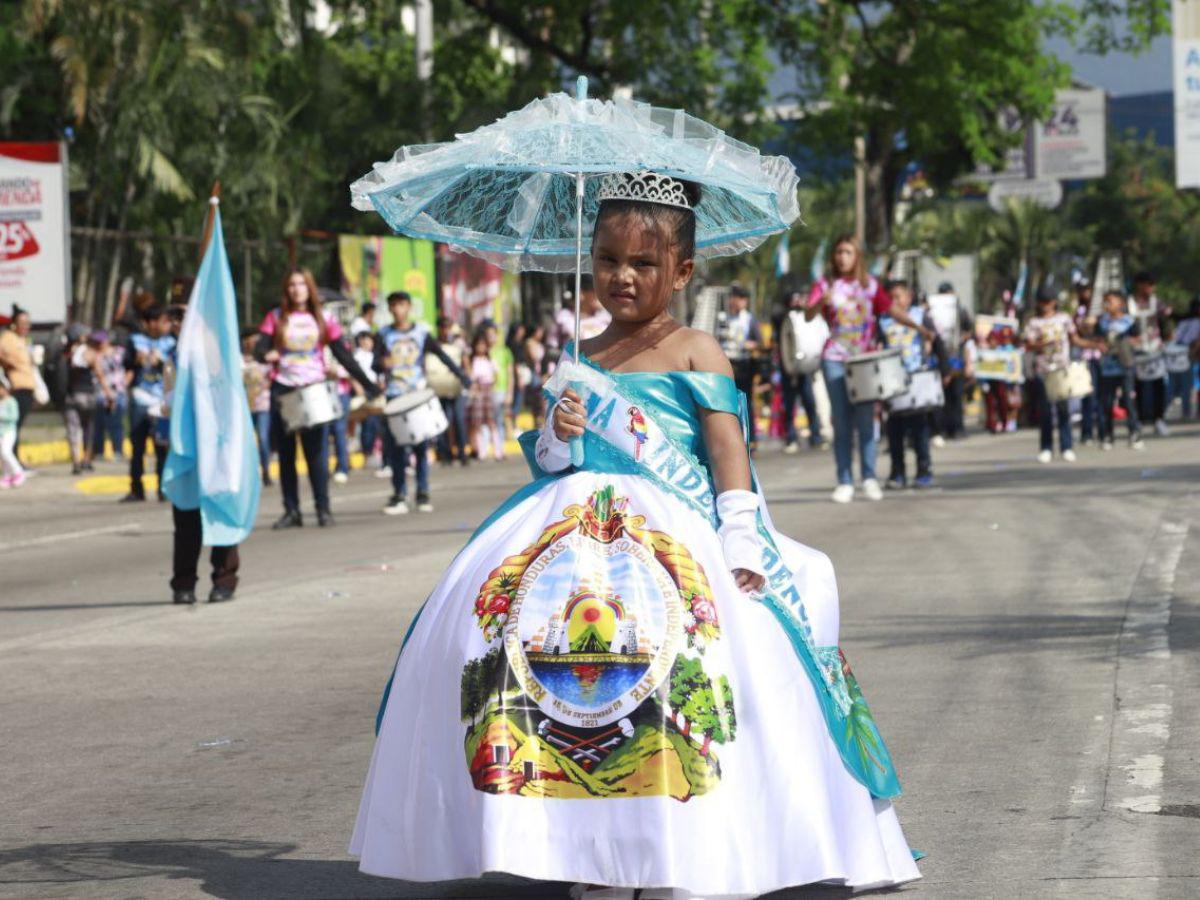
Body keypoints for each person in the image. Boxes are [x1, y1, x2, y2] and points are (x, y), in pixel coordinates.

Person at [351, 171, 918, 898]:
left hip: (672, 530)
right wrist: (558, 432)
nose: (623, 276)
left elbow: (725, 453)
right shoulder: (579, 356)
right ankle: (590, 851)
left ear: (681, 272)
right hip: (573, 534)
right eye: (609, 259)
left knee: (682, 670)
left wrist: (741, 539)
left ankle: (676, 844)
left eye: (644, 264)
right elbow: (556, 462)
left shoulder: (697, 350)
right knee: (505, 652)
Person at [805, 234, 932, 503]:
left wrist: (920, 328)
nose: (842, 257)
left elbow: (892, 311)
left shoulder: (871, 286)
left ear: (857, 256)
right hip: (835, 359)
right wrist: (820, 301)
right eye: (839, 252)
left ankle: (870, 478)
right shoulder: (826, 284)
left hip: (864, 360)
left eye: (848, 252)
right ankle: (844, 481)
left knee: (865, 422)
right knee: (841, 422)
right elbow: (807, 314)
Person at [255, 269, 379, 529]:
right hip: (283, 390)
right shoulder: (275, 317)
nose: (296, 289)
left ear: (309, 288)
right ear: (286, 289)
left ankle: (323, 508)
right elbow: (259, 349)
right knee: (287, 456)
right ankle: (292, 511)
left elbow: (344, 356)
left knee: (317, 455)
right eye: (291, 284)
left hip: (314, 391)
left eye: (301, 284)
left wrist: (368, 384)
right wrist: (266, 354)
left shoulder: (324, 318)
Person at [374, 291, 469, 515]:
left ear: (408, 307)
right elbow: (374, 365)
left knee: (421, 446)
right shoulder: (383, 334)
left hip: (417, 394)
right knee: (396, 448)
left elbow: (441, 355)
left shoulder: (421, 333)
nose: (398, 309)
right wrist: (382, 364)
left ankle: (423, 493)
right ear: (390, 309)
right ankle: (399, 494)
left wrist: (460, 374)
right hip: (394, 396)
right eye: (394, 305)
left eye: (402, 304)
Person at [1023, 287, 1102, 464]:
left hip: (1062, 368)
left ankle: (1067, 446)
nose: (1046, 306)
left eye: (1048, 302)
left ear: (1054, 303)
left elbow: (1075, 340)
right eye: (1042, 303)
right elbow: (1028, 345)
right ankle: (1046, 447)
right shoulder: (1033, 322)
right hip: (1043, 370)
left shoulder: (1064, 319)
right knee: (1045, 411)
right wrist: (1043, 343)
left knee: (1063, 409)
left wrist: (1093, 345)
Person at [880, 280, 943, 489]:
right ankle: (897, 473)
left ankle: (924, 469)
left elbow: (935, 339)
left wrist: (931, 345)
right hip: (891, 382)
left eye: (899, 296)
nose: (895, 301)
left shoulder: (919, 316)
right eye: (891, 297)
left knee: (919, 430)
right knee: (894, 431)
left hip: (916, 379)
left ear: (908, 298)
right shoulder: (883, 320)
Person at [122, 305, 175, 501]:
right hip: (140, 397)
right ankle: (136, 488)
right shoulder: (135, 341)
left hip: (162, 400)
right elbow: (125, 364)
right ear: (151, 323)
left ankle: (164, 488)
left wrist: (161, 361)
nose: (167, 325)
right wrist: (136, 360)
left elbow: (177, 367)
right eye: (164, 321)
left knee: (162, 446)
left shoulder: (171, 343)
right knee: (138, 446)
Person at [773, 290, 825, 453]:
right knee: (789, 405)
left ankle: (816, 436)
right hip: (788, 369)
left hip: (804, 367)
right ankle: (791, 438)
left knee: (809, 402)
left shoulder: (806, 317)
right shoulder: (782, 317)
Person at [1095, 291, 1145, 450]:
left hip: (1125, 366)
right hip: (1107, 368)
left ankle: (1134, 434)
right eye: (1105, 301)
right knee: (1107, 403)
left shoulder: (1129, 321)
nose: (1107, 304)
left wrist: (1126, 342)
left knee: (1129, 402)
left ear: (1121, 303)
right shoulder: (1101, 322)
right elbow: (1096, 340)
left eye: (1110, 300)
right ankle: (1107, 436)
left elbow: (1138, 339)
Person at [64, 329, 114, 475]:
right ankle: (86, 460)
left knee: (73, 430)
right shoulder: (91, 354)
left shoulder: (70, 353)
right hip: (88, 396)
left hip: (71, 396)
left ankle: (75, 461)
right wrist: (109, 395)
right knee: (88, 429)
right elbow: (100, 376)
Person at [719, 285, 762, 450]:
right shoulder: (723, 318)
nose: (737, 302)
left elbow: (759, 342)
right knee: (728, 403)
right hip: (727, 363)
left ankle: (751, 439)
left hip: (744, 364)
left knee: (745, 402)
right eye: (736, 298)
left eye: (741, 298)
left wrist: (752, 345)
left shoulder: (749, 319)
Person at [1129, 271, 1170, 436]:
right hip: (1137, 352)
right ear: (1140, 284)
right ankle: (1137, 421)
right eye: (1149, 284)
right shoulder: (1129, 303)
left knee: (1158, 386)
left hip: (1155, 349)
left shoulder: (1156, 302)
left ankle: (1159, 419)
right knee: (1137, 388)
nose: (1151, 288)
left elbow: (1167, 318)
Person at [429, 317, 470, 465]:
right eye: (443, 327)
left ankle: (462, 452)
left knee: (459, 419)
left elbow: (465, 363)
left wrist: (466, 379)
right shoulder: (434, 345)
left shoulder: (458, 344)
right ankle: (446, 453)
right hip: (440, 388)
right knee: (444, 420)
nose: (445, 330)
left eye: (448, 327)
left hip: (457, 388)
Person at [0, 306, 37, 458]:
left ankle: (14, 461)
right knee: (13, 427)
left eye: (28, 322)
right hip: (16, 387)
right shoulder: (7, 338)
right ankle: (13, 461)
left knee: (18, 427)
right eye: (22, 322)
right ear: (14, 323)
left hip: (27, 387)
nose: (26, 326)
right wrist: (9, 365)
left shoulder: (23, 340)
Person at [465, 332, 503, 461]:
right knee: (477, 422)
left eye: (483, 345)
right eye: (478, 344)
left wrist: (492, 384)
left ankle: (498, 450)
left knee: (492, 421)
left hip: (488, 391)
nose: (481, 347)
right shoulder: (472, 360)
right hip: (477, 392)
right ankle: (481, 450)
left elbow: (496, 374)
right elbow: (470, 375)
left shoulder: (489, 360)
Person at [242, 331, 273, 485]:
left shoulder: (265, 360)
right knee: (247, 442)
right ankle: (251, 474)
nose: (252, 343)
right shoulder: (238, 360)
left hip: (263, 405)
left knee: (263, 437)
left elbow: (272, 378)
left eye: (255, 340)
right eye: (249, 340)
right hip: (245, 408)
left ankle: (266, 469)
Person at [90, 331, 127, 461]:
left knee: (116, 423)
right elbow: (98, 374)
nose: (99, 343)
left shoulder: (120, 352)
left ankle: (118, 451)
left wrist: (123, 385)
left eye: (101, 341)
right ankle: (98, 452)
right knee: (99, 424)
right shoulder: (94, 354)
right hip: (100, 393)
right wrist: (108, 393)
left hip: (119, 392)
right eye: (97, 341)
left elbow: (129, 368)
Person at [553, 273, 612, 349]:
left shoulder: (607, 318)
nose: (601, 294)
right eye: (595, 290)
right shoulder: (564, 318)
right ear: (580, 293)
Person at [1166, 295, 1200, 421]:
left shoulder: (1183, 321)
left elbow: (1176, 337)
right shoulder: (1196, 322)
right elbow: (1196, 342)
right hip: (1188, 355)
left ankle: (1166, 410)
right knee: (1187, 386)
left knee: (1174, 384)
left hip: (1177, 354)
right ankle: (1186, 413)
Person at [0, 374, 25, 488]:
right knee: (2, 455)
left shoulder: (11, 401)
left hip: (9, 431)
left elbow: (14, 417)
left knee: (6, 451)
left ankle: (18, 472)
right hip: (1, 432)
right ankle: (6, 476)